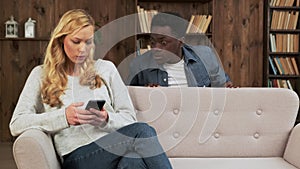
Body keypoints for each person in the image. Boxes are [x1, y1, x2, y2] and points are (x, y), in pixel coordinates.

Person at [9, 9, 172, 169]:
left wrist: (106, 119)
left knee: (133, 161)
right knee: (143, 131)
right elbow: (16, 123)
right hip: (78, 157)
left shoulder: (106, 69)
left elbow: (129, 118)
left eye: (88, 42)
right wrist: (64, 117)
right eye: (76, 41)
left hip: (113, 148)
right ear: (61, 40)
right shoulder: (41, 74)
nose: (83, 49)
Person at [127, 12, 233, 87]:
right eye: (153, 42)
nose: (156, 48)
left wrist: (227, 88)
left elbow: (222, 86)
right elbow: (127, 101)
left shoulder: (205, 56)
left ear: (180, 41)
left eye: (163, 43)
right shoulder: (139, 65)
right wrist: (145, 95)